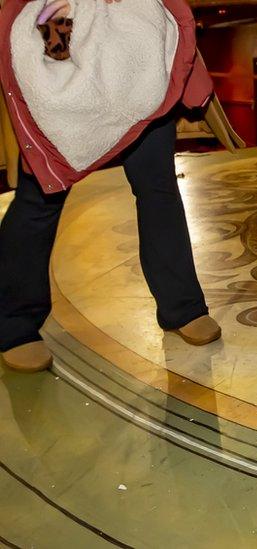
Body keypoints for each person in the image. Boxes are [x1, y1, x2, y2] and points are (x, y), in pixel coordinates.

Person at [0, 0, 222, 373]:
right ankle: (13, 324)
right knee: (40, 198)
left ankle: (181, 306)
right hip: (65, 71)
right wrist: (57, 31)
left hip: (138, 76)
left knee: (158, 189)